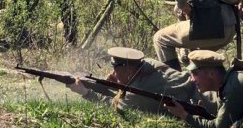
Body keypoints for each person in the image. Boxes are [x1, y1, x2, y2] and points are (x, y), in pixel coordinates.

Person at [67, 47, 201, 116]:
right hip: (200, 86)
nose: (112, 73)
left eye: (115, 69)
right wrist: (116, 84)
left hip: (201, 104)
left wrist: (85, 93)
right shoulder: (148, 63)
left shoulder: (138, 93)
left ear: (128, 71)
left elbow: (114, 105)